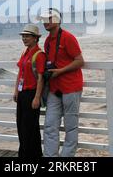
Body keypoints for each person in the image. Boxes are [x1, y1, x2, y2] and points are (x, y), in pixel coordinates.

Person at [39, 8, 85, 157]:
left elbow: (80, 61)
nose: (46, 22)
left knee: (71, 127)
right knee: (50, 125)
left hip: (71, 87)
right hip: (54, 89)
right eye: (44, 19)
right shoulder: (47, 41)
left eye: (49, 19)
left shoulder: (68, 38)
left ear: (58, 20)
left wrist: (61, 71)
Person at [13, 24, 46, 158]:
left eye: (27, 36)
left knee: (30, 127)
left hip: (31, 94)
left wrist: (37, 97)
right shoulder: (25, 53)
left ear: (35, 38)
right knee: (21, 125)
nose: (24, 39)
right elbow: (20, 73)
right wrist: (16, 91)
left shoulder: (39, 55)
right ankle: (24, 153)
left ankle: (33, 155)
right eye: (23, 36)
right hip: (22, 94)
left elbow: (40, 78)